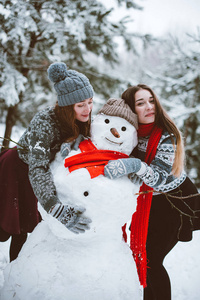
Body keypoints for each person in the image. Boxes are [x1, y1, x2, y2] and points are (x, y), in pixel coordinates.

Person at [104, 84, 200, 300]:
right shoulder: (129, 133)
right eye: (141, 103)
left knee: (152, 261)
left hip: (174, 200)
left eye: (151, 100)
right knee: (143, 261)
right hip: (149, 202)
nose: (149, 106)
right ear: (131, 109)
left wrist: (133, 165)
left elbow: (157, 177)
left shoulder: (167, 135)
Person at [0, 62, 94, 262]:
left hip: (38, 175)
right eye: (81, 105)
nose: (88, 109)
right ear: (68, 106)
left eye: (90, 101)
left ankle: (20, 274)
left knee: (29, 226)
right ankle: (15, 280)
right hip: (18, 169)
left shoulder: (83, 120)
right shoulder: (45, 122)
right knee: (16, 226)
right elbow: (38, 167)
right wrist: (54, 207)